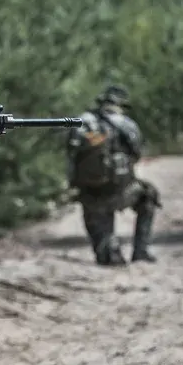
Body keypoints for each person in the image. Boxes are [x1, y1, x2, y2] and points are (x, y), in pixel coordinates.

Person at [66, 84, 161, 266]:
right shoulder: (127, 124)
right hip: (120, 190)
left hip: (89, 191)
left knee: (94, 211)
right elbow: (137, 153)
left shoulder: (83, 121)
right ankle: (140, 251)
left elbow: (71, 153)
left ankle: (107, 249)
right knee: (148, 195)